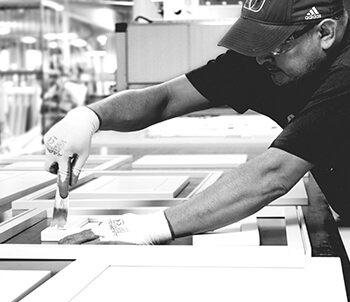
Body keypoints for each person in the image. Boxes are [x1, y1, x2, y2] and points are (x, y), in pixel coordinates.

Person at [44, 0, 350, 245]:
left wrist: (157, 226)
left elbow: (274, 174)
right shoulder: (266, 61)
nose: (259, 59)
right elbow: (165, 98)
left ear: (325, 33)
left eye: (273, 45)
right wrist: (88, 117)